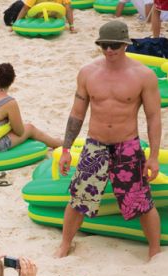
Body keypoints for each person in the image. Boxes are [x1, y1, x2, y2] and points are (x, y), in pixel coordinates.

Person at [56, 21, 162, 259]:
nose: (109, 50)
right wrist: (65, 149)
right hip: (95, 144)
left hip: (128, 145)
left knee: (141, 201)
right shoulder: (88, 73)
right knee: (78, 198)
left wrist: (154, 156)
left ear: (125, 44)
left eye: (114, 45)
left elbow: (154, 117)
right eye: (104, 45)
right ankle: (65, 244)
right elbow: (77, 114)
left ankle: (154, 250)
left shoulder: (143, 75)